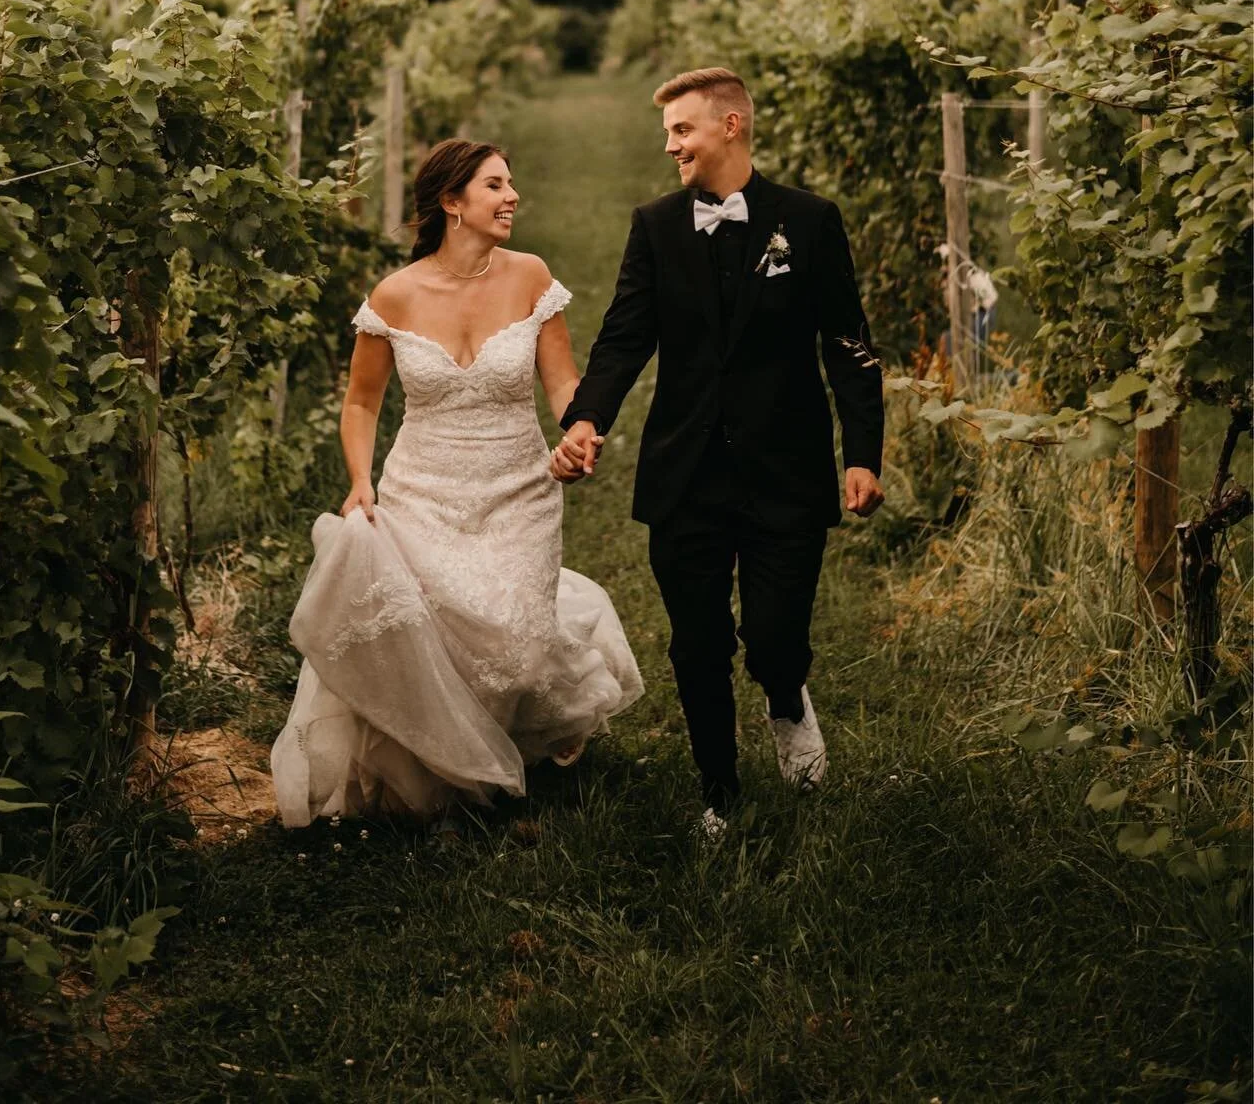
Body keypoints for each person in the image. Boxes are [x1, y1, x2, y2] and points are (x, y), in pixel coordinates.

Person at [271, 138, 643, 829]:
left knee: (518, 652)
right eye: (496, 186)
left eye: (512, 184)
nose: (513, 198)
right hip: (424, 486)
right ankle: (446, 776)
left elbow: (562, 383)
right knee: (433, 635)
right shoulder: (396, 295)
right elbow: (361, 403)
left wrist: (578, 429)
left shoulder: (531, 277)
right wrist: (360, 480)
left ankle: (511, 737)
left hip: (518, 486)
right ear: (451, 202)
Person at [550, 67, 883, 839]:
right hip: (686, 469)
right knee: (697, 641)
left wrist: (861, 451)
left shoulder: (810, 220)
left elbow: (848, 345)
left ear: (730, 126)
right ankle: (719, 792)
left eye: (682, 130)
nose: (671, 147)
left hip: (787, 469)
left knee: (772, 638)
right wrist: (586, 417)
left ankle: (785, 695)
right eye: (668, 134)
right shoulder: (657, 225)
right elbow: (626, 336)